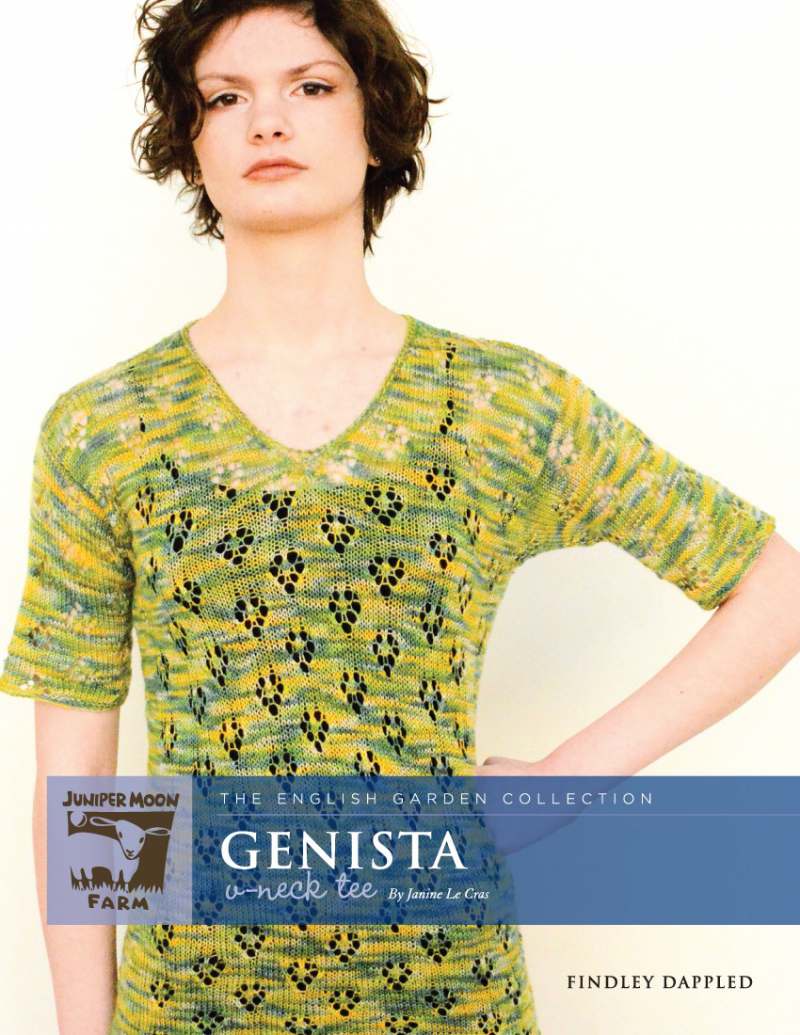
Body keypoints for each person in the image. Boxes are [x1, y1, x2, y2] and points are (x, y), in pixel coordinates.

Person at [1, 2, 798, 1033]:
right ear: (190, 144)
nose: (268, 120)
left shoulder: (501, 404)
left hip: (454, 999)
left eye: (311, 85)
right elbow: (84, 785)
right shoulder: (107, 427)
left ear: (375, 125)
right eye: (226, 97)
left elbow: (772, 585)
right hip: (187, 1006)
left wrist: (563, 781)